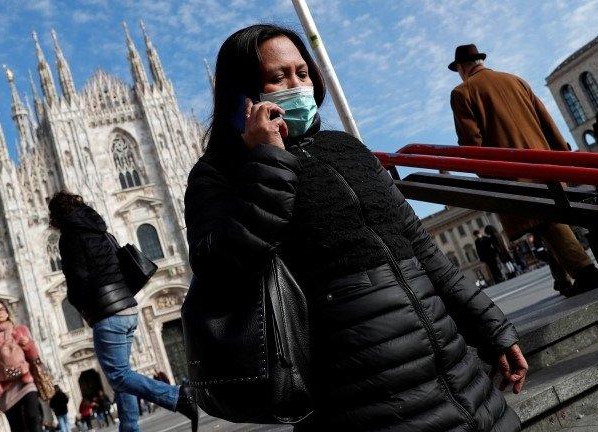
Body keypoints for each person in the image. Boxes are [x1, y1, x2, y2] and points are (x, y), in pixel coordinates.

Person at [185, 24, 526, 431]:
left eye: (302, 72)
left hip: (459, 377)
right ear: (243, 97)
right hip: (359, 400)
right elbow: (221, 271)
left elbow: (421, 249)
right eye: (278, 78)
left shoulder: (346, 148)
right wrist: (268, 160)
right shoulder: (220, 172)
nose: (297, 85)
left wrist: (491, 328)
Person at [449, 43, 598, 296]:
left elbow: (471, 143)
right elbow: (547, 121)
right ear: (480, 61)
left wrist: (488, 176)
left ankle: (586, 272)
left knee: (543, 220)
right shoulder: (515, 80)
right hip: (544, 165)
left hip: (513, 173)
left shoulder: (462, 92)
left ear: (461, 68)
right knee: (546, 218)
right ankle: (561, 279)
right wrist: (563, 158)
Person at [49, 192, 199, 432]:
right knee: (123, 375)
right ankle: (129, 428)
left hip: (107, 311)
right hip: (129, 307)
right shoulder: (100, 229)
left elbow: (77, 279)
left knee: (118, 376)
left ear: (56, 217)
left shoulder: (70, 237)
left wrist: (79, 305)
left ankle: (177, 396)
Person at [0, 300, 43, 431]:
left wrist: (28, 345)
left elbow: (34, 357)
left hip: (26, 382)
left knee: (34, 419)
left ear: (7, 312)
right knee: (18, 428)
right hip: (7, 390)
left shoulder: (20, 331)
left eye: (2, 309)